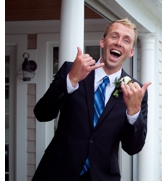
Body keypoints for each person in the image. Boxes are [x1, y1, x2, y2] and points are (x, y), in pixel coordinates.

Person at [33, 18, 149, 180]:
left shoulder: (135, 90)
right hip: (56, 172)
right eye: (114, 36)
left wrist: (133, 112)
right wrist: (71, 80)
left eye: (126, 40)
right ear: (103, 42)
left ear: (131, 52)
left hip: (102, 177)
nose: (118, 43)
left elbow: (133, 148)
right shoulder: (71, 70)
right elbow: (42, 114)